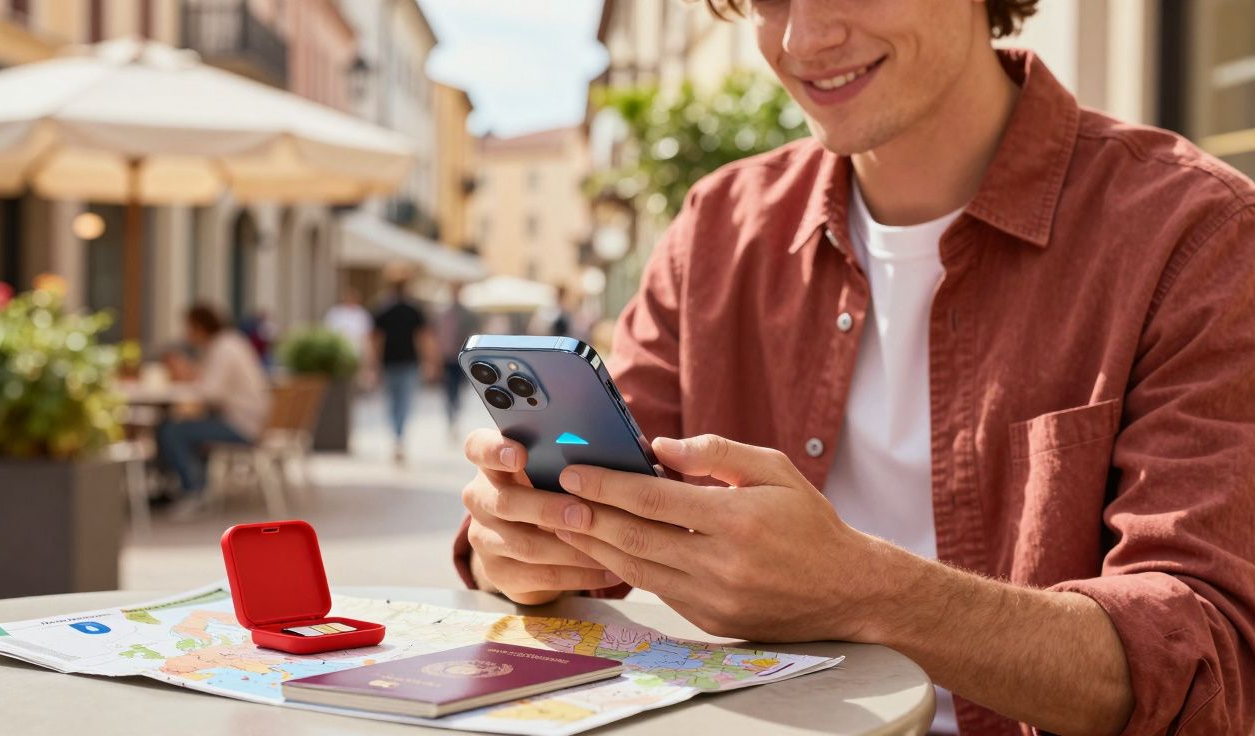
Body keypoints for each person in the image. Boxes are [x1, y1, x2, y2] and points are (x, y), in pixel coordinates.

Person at [452, 2, 1255, 735]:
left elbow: (1206, 661)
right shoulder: (718, 228)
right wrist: (518, 547)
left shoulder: (1194, 235)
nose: (802, 40)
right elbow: (571, 519)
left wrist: (863, 590)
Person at [156, 304, 269, 519]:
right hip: (245, 419)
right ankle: (186, 486)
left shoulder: (223, 348)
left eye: (188, 327)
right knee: (179, 427)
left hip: (240, 424)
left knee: (172, 431)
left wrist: (188, 376)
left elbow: (212, 393)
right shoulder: (230, 343)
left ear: (199, 327)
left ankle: (193, 491)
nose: (186, 334)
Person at [372, 273, 435, 463]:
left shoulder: (383, 308)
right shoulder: (412, 309)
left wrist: (373, 365)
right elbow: (423, 338)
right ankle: (399, 436)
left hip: (392, 362)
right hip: (406, 362)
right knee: (403, 402)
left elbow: (375, 340)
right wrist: (429, 361)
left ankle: (397, 436)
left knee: (393, 402)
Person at [434, 283, 482, 439]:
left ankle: (455, 416)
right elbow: (437, 337)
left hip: (461, 357)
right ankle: (451, 418)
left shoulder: (467, 314)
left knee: (459, 389)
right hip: (447, 357)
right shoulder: (443, 313)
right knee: (449, 390)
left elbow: (474, 333)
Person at [324, 286, 376, 387]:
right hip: (339, 354)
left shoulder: (362, 314)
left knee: (355, 383)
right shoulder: (335, 313)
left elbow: (367, 337)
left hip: (357, 353)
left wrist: (369, 360)